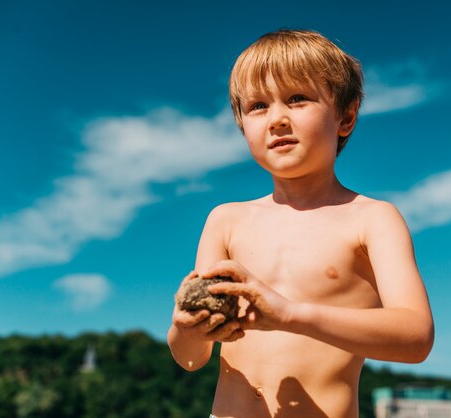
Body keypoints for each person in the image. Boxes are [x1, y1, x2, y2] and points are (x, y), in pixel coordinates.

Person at [167, 29, 434, 418]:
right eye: (258, 106)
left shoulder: (371, 218)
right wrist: (187, 330)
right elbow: (191, 359)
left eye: (297, 99)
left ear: (346, 116)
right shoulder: (225, 220)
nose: (277, 119)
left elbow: (416, 337)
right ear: (243, 125)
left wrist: (290, 315)